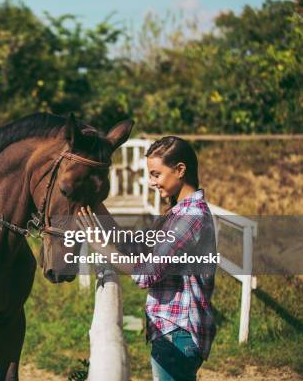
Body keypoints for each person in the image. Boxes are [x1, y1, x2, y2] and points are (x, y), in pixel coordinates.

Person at [78, 136, 216, 381]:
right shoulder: (177, 214)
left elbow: (146, 273)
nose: (151, 182)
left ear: (180, 170)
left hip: (177, 332)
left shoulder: (190, 218)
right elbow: (133, 246)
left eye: (156, 174)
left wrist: (99, 246)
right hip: (173, 331)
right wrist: (95, 202)